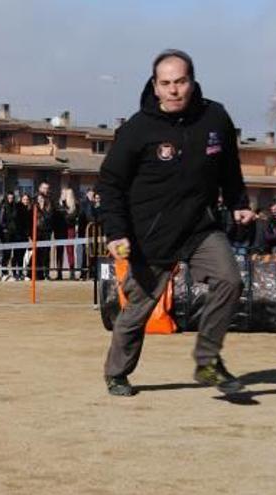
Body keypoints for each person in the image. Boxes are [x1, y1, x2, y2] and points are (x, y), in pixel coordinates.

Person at [98, 49, 253, 396]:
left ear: (192, 81)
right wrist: (116, 231)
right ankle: (117, 372)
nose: (173, 90)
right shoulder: (137, 129)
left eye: (180, 82)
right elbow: (110, 184)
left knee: (230, 280)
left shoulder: (216, 117)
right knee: (139, 309)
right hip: (149, 234)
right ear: (155, 86)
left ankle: (207, 360)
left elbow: (229, 168)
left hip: (200, 226)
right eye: (165, 83)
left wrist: (238, 203)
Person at [33, 182, 54, 281]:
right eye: (44, 188)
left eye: (47, 188)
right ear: (39, 188)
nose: (46, 190)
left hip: (46, 230)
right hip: (36, 230)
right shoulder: (34, 200)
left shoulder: (49, 201)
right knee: (37, 253)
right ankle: (37, 273)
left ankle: (46, 273)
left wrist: (43, 208)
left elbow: (49, 216)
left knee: (46, 253)